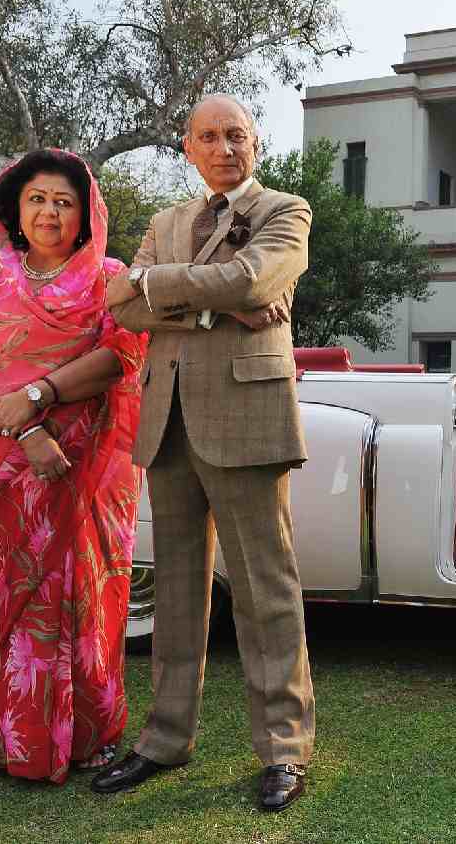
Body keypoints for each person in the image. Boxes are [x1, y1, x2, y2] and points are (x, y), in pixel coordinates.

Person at [93, 93, 315, 812]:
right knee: (178, 593)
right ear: (188, 148)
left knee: (265, 590)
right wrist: (216, 305)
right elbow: (121, 306)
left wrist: (162, 286)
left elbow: (256, 278)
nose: (224, 147)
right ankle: (164, 740)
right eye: (209, 137)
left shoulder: (287, 211)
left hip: (249, 416)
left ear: (256, 144)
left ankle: (283, 751)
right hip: (169, 418)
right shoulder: (165, 222)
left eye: (237, 135)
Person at [0, 148, 148, 783]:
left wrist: (40, 395)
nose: (50, 211)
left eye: (64, 201)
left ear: (86, 213)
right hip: (19, 467)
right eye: (37, 198)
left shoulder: (108, 279)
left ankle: (91, 735)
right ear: (14, 208)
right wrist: (30, 430)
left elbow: (122, 356)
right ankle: (17, 738)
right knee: (25, 596)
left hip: (91, 465)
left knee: (91, 595)